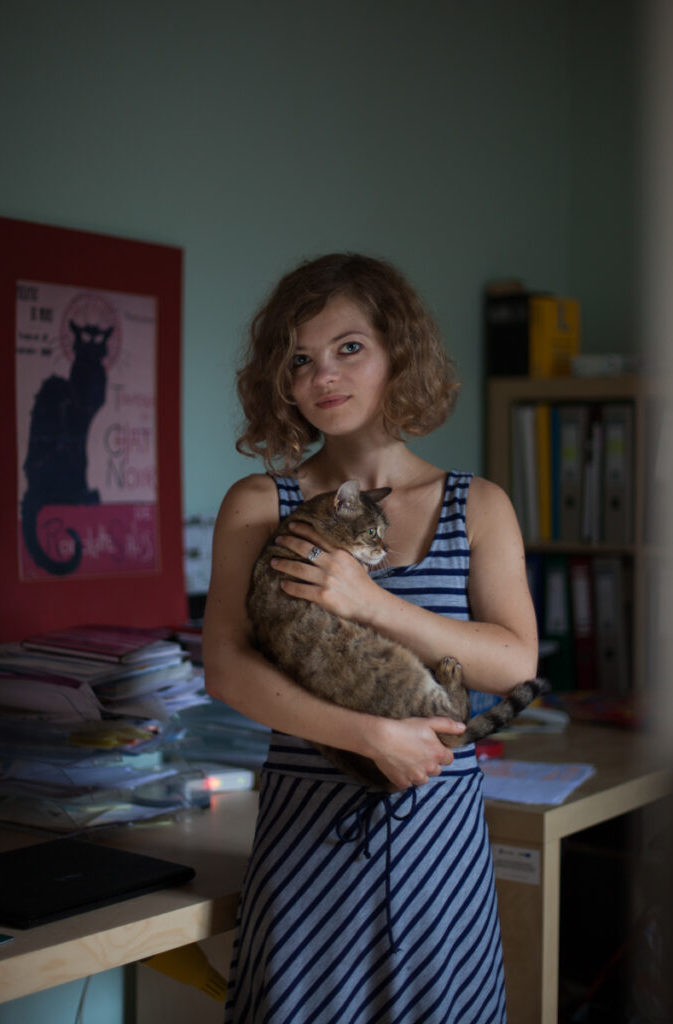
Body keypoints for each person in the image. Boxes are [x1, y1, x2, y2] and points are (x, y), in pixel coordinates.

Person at [203, 252, 538, 1024]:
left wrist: (370, 601)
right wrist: (369, 735)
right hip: (306, 835)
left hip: (440, 845)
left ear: (398, 351)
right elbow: (225, 668)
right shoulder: (261, 502)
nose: (324, 374)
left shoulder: (475, 505)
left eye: (348, 347)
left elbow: (514, 660)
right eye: (299, 359)